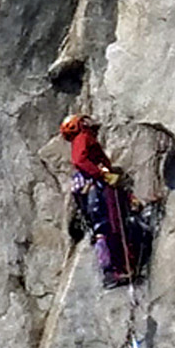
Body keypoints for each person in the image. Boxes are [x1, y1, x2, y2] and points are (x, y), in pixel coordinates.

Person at [60, 114, 142, 286]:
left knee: (105, 228)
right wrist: (102, 175)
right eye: (84, 122)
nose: (90, 124)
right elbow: (80, 160)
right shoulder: (82, 138)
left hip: (97, 188)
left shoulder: (85, 140)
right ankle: (112, 271)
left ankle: (116, 269)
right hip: (96, 189)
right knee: (106, 227)